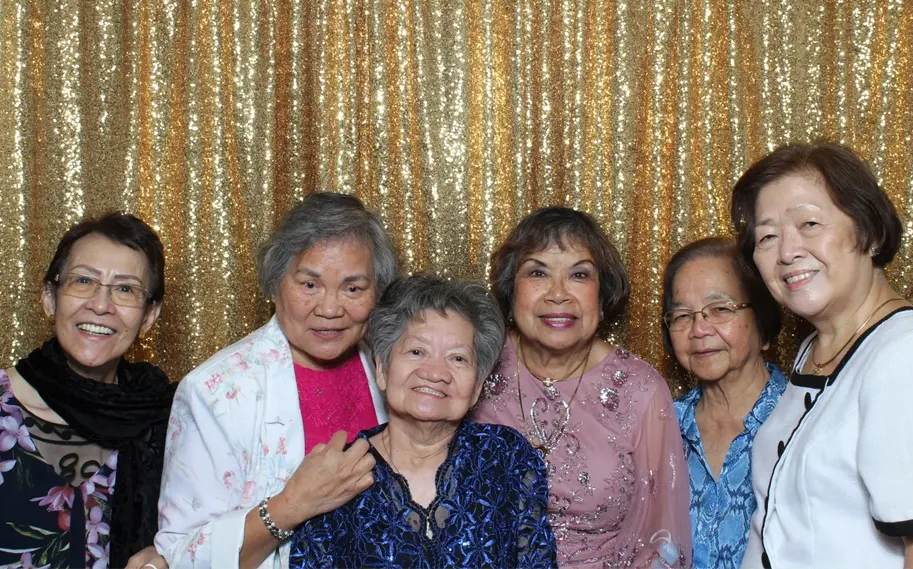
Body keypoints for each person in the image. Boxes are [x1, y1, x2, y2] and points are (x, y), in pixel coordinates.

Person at [732, 142, 913, 569]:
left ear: (869, 233)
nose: (786, 252)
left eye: (810, 223)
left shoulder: (909, 353)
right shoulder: (816, 350)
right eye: (766, 236)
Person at [155, 192, 400, 569]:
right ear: (274, 285)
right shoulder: (214, 390)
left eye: (353, 288)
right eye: (309, 285)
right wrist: (292, 505)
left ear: (376, 294)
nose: (331, 309)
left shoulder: (395, 371)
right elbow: (179, 556)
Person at [472, 206, 692, 569]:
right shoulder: (474, 364)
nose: (558, 294)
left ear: (602, 298)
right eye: (538, 272)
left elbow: (661, 540)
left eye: (579, 275)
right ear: (511, 293)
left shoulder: (640, 390)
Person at [289, 275, 557, 568]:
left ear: (477, 385)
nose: (435, 372)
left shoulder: (506, 457)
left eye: (457, 359)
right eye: (417, 352)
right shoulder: (337, 473)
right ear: (382, 369)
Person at [0, 212, 176, 569]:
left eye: (125, 289)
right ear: (50, 297)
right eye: (83, 281)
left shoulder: (169, 419)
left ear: (149, 316)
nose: (100, 305)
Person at [662, 237, 786, 569]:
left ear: (763, 321)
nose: (699, 329)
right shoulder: (660, 427)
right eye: (682, 316)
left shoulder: (803, 422)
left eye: (720, 309)